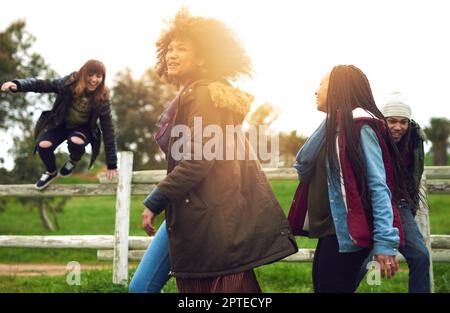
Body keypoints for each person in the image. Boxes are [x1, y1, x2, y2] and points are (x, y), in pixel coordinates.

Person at [139, 8, 298, 293]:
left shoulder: (203, 95)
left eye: (182, 49)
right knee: (141, 286)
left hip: (208, 213)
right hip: (189, 210)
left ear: (201, 58)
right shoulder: (190, 96)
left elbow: (200, 158)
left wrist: (155, 200)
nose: (171, 55)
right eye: (170, 49)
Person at [288, 65, 420, 293]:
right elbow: (304, 166)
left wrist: (385, 242)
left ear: (338, 89)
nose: (316, 90)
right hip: (331, 233)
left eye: (322, 84)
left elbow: (379, 186)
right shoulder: (332, 127)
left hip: (348, 234)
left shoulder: (361, 128)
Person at [1, 60, 118, 188]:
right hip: (60, 123)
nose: (94, 80)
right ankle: (51, 172)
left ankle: (73, 160)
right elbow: (43, 84)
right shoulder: (69, 83)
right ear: (83, 74)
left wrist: (112, 164)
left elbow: (108, 130)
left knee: (76, 141)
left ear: (103, 78)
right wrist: (18, 85)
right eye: (90, 75)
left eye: (98, 76)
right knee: (43, 146)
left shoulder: (103, 97)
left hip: (82, 128)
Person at [357, 92, 430, 293]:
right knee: (358, 262)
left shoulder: (414, 139)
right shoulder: (370, 135)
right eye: (392, 121)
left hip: (399, 202)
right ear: (382, 120)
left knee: (421, 256)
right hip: (368, 203)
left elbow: (414, 176)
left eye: (403, 122)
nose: (398, 127)